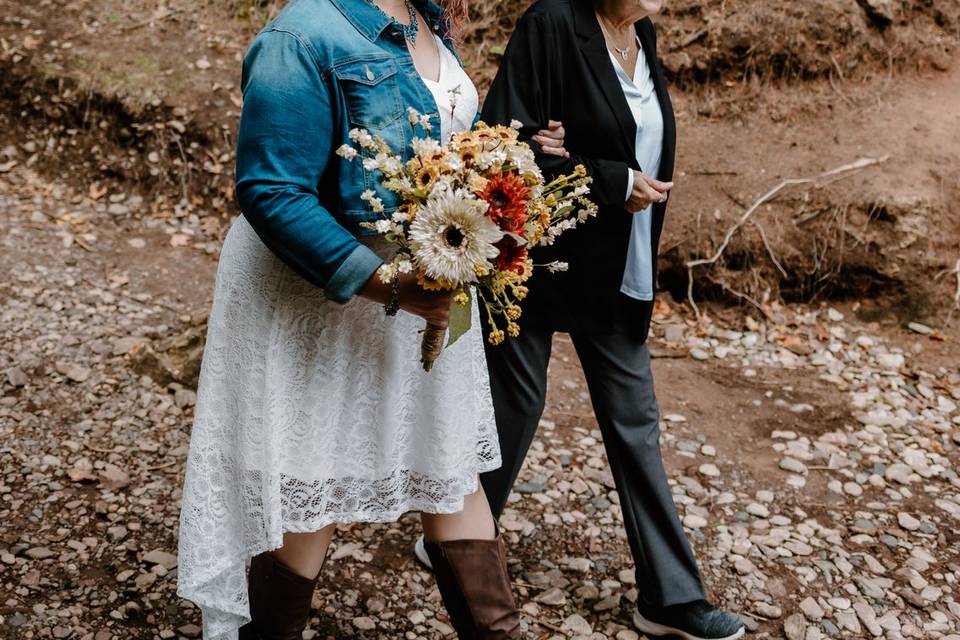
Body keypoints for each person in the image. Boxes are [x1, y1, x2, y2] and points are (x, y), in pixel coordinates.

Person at [174, 0, 569, 638]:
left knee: (451, 469)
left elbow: (427, 142)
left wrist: (507, 168)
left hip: (424, 291)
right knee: (312, 485)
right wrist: (389, 284)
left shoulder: (424, 17)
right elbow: (271, 191)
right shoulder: (303, 33)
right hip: (323, 296)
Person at [473, 0, 745, 638]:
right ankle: (460, 537)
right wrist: (601, 176)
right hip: (535, 256)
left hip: (617, 265)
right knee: (517, 404)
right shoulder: (550, 24)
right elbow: (499, 146)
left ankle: (669, 597)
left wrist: (587, 162)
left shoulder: (641, 32)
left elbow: (620, 140)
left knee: (635, 420)